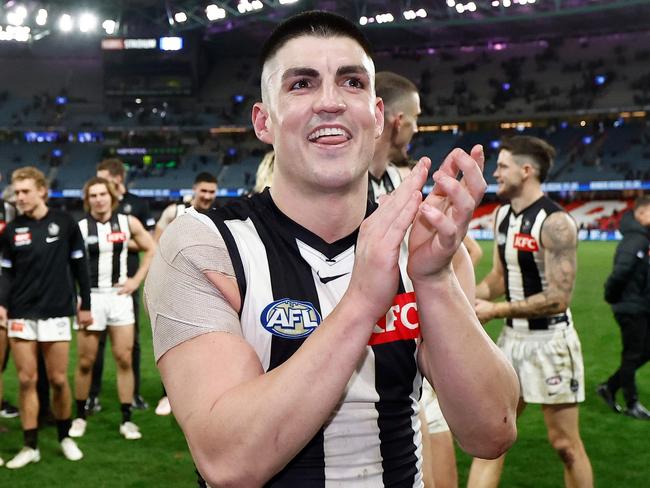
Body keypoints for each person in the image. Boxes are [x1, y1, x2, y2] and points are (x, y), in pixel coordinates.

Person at [145, 11, 518, 487]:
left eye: (351, 82)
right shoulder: (204, 245)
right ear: (263, 121)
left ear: (378, 116)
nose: (330, 102)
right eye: (301, 84)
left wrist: (434, 279)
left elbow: (492, 432)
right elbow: (229, 462)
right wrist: (362, 301)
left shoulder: (426, 247)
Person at [469, 135, 593, 488]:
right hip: (512, 340)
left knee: (565, 445)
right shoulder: (502, 216)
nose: (496, 173)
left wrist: (495, 310)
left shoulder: (556, 223)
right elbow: (497, 278)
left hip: (551, 340)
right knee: (492, 439)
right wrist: (463, 299)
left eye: (503, 166)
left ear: (526, 171)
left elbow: (558, 298)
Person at [373, 70, 459, 488]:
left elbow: (454, 257)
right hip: (363, 357)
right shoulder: (333, 186)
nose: (419, 126)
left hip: (411, 355)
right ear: (398, 120)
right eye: (417, 116)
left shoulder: (401, 183)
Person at [0, 167, 92, 469]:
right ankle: (30, 446)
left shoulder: (65, 223)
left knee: (57, 380)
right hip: (21, 313)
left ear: (42, 190)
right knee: (27, 380)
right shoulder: (12, 231)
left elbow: (81, 268)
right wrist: (2, 304)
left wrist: (86, 305)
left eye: (25, 191)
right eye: (17, 192)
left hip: (56, 312)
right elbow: (5, 274)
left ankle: (65, 436)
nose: (20, 197)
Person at [69, 177, 154, 440]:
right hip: (91, 297)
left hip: (119, 297)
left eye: (102, 194)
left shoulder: (128, 222)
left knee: (124, 358)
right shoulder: (80, 227)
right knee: (85, 362)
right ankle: (80, 417)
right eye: (93, 195)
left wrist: (135, 280)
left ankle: (126, 419)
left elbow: (152, 249)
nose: (98, 199)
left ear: (111, 197)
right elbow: (66, 265)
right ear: (87, 200)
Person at [90, 158, 155, 412]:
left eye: (102, 178)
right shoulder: (98, 208)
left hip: (127, 281)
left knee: (133, 343)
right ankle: (92, 395)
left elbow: (148, 242)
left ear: (117, 179)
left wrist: (116, 239)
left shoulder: (137, 204)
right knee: (96, 343)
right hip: (100, 284)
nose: (98, 185)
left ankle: (134, 393)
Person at [152, 171, 218, 415]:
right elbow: (157, 244)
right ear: (194, 189)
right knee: (172, 342)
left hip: (208, 290)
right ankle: (167, 394)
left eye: (212, 192)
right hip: (175, 286)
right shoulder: (174, 212)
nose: (208, 196)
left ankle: (202, 393)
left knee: (206, 342)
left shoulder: (219, 216)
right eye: (204, 191)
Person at [598, 196, 650, 419]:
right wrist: (612, 297)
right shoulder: (636, 240)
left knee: (643, 351)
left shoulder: (641, 238)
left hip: (639, 305)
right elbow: (620, 273)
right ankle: (632, 403)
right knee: (632, 354)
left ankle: (609, 387)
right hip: (631, 307)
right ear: (640, 213)